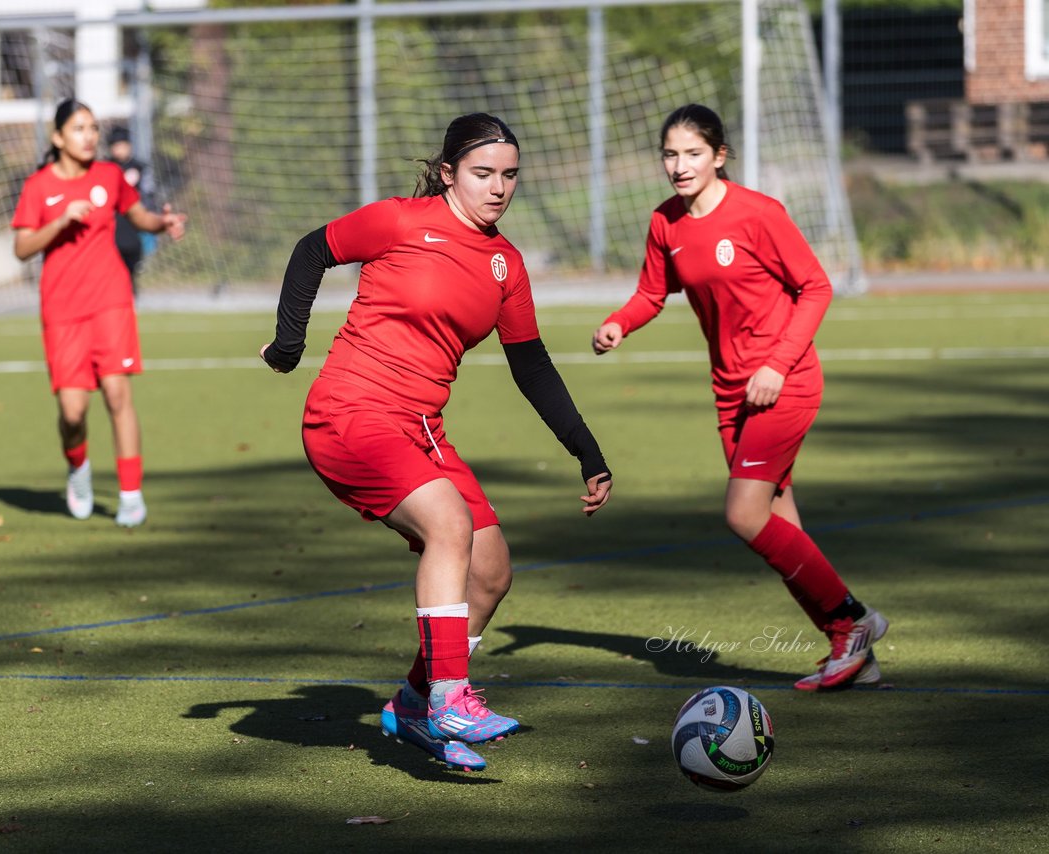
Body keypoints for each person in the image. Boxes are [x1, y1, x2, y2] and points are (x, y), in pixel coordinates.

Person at [260, 113, 613, 771]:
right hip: (350, 413)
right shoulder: (400, 220)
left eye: (509, 175)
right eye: (483, 173)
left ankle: (416, 704)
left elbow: (531, 364)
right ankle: (452, 698)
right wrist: (288, 345)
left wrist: (585, 450)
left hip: (421, 428)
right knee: (450, 524)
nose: (498, 187)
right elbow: (312, 250)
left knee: (491, 571)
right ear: (448, 173)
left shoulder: (506, 264)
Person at [591, 104, 887, 691]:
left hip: (784, 382)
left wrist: (777, 364)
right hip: (731, 392)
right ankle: (852, 651)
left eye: (693, 153)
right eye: (670, 154)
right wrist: (620, 323)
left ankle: (854, 621)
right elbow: (652, 293)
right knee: (780, 525)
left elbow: (816, 287)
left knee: (743, 514)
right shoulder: (665, 222)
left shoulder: (758, 213)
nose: (680, 165)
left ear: (719, 155)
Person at [11, 98, 185, 527]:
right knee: (72, 413)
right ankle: (78, 469)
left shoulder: (109, 175)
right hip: (62, 309)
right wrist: (60, 222)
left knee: (117, 395)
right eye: (78, 128)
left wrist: (161, 223)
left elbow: (138, 215)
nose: (89, 136)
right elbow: (22, 248)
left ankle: (130, 495)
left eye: (92, 128)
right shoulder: (38, 186)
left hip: (111, 299)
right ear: (57, 138)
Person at [106, 125, 156, 294]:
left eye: (123, 145)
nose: (119, 149)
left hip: (133, 226)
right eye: (116, 145)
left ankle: (130, 292)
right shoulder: (105, 168)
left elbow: (149, 195)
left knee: (131, 267)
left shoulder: (139, 168)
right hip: (112, 226)